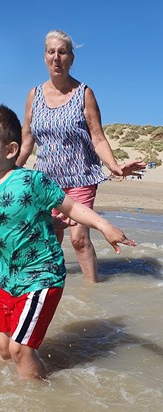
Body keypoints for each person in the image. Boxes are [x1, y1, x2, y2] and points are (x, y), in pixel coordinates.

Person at [0, 103, 137, 380]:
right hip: (8, 278)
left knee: (20, 350)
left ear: (10, 150)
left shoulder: (32, 180)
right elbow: (16, 219)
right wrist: (48, 222)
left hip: (41, 276)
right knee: (4, 349)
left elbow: (71, 207)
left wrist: (104, 225)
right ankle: (5, 391)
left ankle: (39, 398)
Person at [16, 29, 145, 283]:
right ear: (44, 57)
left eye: (62, 52)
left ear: (71, 59)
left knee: (78, 239)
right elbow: (27, 139)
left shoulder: (84, 93)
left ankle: (92, 291)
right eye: (51, 52)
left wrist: (114, 166)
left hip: (80, 176)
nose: (56, 58)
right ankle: (52, 287)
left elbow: (97, 137)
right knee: (52, 236)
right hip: (46, 180)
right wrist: (9, 171)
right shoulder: (34, 95)